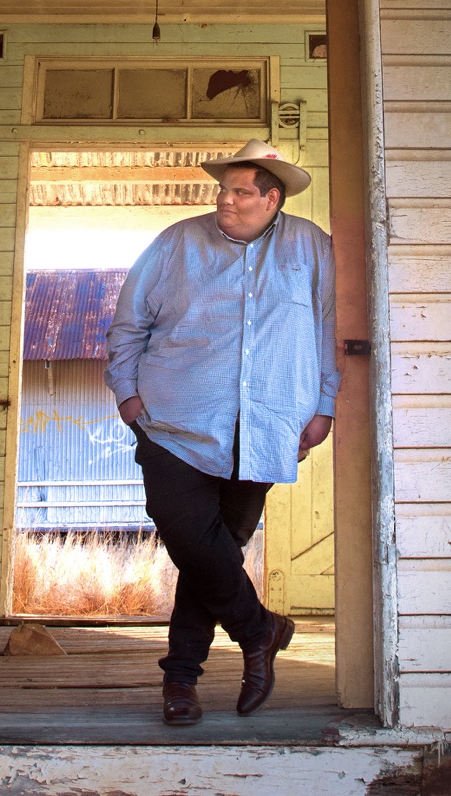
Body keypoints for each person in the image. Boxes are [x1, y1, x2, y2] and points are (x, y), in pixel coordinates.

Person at [105, 139, 339, 725]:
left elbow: (330, 328)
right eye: (222, 190)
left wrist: (324, 405)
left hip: (264, 426)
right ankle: (260, 631)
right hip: (174, 422)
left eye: (239, 192)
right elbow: (128, 323)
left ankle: (180, 682)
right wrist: (129, 398)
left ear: (272, 197)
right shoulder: (178, 243)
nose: (224, 201)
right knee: (191, 539)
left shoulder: (312, 249)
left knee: (211, 559)